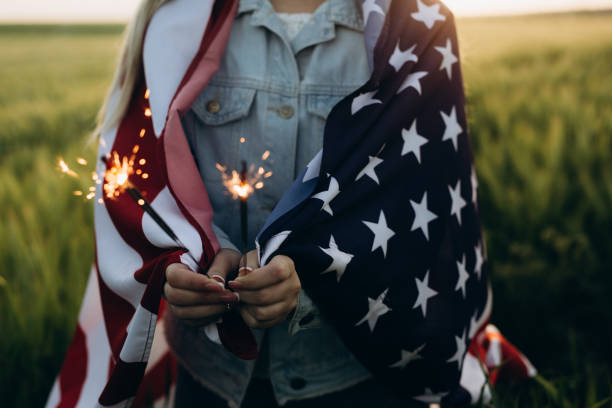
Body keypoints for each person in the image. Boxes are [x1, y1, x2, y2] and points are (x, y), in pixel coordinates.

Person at [161, 0, 416, 406]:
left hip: (354, 369)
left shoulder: (408, 26)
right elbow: (150, 180)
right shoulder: (181, 20)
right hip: (211, 375)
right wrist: (195, 258)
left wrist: (314, 279)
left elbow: (418, 202)